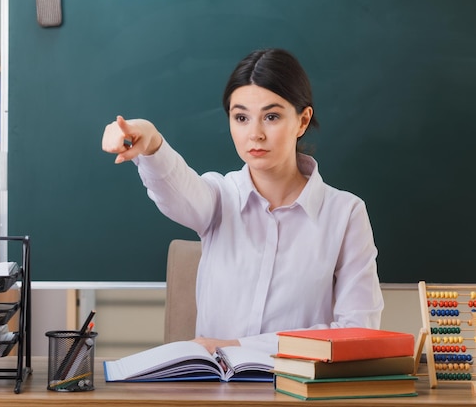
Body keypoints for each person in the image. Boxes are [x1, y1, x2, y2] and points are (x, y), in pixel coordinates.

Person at [101, 48, 384, 356]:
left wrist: (236, 347)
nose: (255, 134)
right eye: (241, 117)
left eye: (271, 117)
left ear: (302, 121)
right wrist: (151, 142)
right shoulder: (218, 197)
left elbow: (360, 332)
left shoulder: (345, 213)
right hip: (217, 394)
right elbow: (177, 190)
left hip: (299, 394)